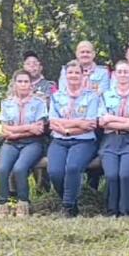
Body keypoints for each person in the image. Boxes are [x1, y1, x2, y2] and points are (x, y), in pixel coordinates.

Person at [48, 61, 100, 217]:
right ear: (65, 76)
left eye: (77, 73)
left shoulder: (91, 96)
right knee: (55, 172)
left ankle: (68, 207)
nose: (73, 76)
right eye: (70, 73)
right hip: (59, 140)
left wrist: (67, 128)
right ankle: (72, 202)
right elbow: (52, 122)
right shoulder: (57, 96)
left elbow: (90, 124)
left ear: (83, 75)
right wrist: (77, 123)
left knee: (72, 168)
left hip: (84, 141)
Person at [0, 70, 48, 217]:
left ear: (31, 84)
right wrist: (27, 128)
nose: (23, 84)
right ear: (14, 84)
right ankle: (2, 205)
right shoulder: (7, 103)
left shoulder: (39, 103)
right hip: (11, 143)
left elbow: (38, 130)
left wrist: (15, 132)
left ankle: (23, 204)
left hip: (32, 143)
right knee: (2, 169)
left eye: (26, 81)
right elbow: (4, 128)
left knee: (19, 168)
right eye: (20, 81)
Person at [98, 60, 129, 217]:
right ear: (114, 75)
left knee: (125, 175)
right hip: (110, 140)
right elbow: (102, 121)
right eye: (120, 72)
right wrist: (126, 122)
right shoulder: (105, 95)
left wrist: (112, 120)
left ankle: (127, 211)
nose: (123, 75)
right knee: (111, 175)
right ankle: (112, 211)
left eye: (126, 72)